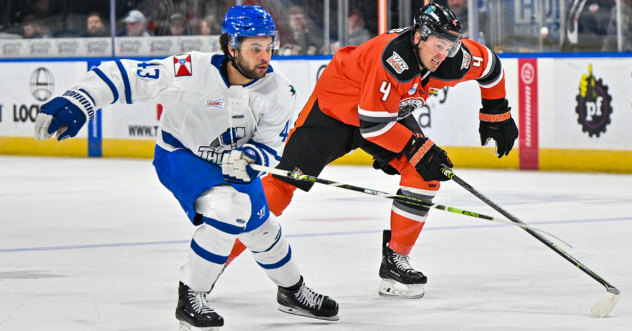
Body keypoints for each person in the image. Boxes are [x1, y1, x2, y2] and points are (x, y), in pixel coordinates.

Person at [32, 4, 339, 330]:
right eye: (255, 48)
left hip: (231, 168)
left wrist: (249, 159)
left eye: (269, 47)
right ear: (231, 47)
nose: (265, 56)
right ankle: (191, 296)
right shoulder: (190, 69)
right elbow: (124, 75)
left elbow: (268, 146)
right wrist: (82, 98)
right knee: (230, 209)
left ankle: (291, 291)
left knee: (263, 228)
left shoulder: (279, 91)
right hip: (182, 155)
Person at [224, 3, 518, 299]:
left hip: (384, 114)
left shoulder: (453, 58)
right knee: (283, 184)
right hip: (333, 112)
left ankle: (395, 260)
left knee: (423, 172)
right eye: (438, 45)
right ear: (419, 37)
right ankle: (216, 257)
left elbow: (491, 66)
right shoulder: (394, 59)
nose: (443, 54)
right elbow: (374, 128)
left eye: (450, 46)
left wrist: (496, 110)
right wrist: (415, 146)